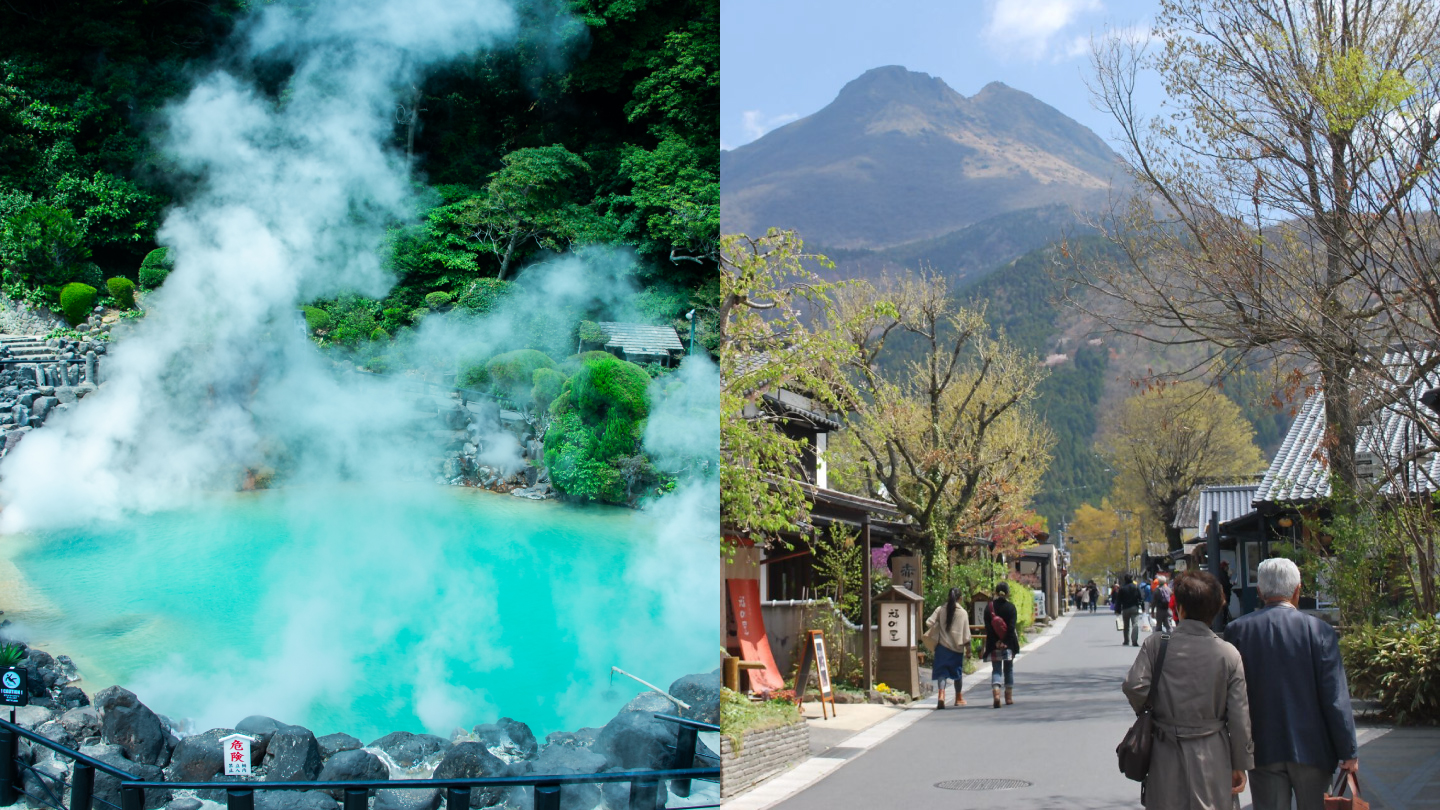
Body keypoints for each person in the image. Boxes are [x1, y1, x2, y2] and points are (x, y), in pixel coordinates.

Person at [1223, 558, 1358, 810]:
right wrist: (1348, 750)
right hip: (1314, 749)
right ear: (1298, 590)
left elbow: (1232, 696)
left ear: (1260, 592)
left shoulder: (1237, 631)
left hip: (1262, 747)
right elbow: (1335, 697)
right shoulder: (1320, 631)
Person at [1123, 571, 1254, 809]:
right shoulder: (1228, 654)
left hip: (1165, 748)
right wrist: (1240, 764)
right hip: (1213, 751)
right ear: (1216, 609)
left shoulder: (1156, 645)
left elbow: (1135, 685)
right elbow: (1239, 717)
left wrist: (1153, 710)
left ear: (1180, 608)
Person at [925, 587, 972, 709]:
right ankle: (958, 698)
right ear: (960, 598)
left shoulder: (940, 609)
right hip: (957, 649)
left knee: (942, 673)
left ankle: (941, 695)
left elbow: (928, 622)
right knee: (957, 674)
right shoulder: (963, 613)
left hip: (942, 647)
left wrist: (938, 625)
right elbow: (967, 635)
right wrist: (969, 650)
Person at [983, 581, 1020, 708]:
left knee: (996, 669)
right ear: (1008, 593)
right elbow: (1011, 628)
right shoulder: (1011, 608)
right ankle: (1008, 697)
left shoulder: (989, 608)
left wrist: (996, 642)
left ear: (996, 593)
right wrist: (1005, 642)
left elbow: (988, 628)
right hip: (1008, 644)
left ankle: (996, 694)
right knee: (1008, 669)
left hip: (994, 645)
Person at [1118, 574, 1143, 646]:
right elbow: (1140, 597)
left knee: (1126, 625)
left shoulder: (1122, 588)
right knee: (1135, 624)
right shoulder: (1135, 586)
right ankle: (1134, 641)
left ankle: (1126, 640)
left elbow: (1119, 600)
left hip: (1125, 608)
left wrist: (1118, 610)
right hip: (1134, 607)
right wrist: (1143, 607)